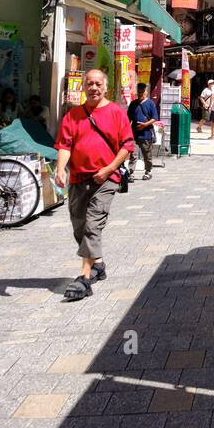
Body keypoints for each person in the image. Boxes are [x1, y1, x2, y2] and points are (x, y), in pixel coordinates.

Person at [54, 69, 134, 301]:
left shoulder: (116, 113)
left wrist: (109, 169)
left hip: (106, 179)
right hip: (78, 178)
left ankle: (84, 278)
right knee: (79, 226)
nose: (93, 88)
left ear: (105, 87)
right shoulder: (73, 115)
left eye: (98, 84)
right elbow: (65, 145)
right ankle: (98, 264)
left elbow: (127, 146)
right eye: (89, 84)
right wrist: (60, 169)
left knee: (92, 225)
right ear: (83, 87)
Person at [127, 82, 159, 180]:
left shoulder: (150, 103)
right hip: (134, 133)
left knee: (147, 154)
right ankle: (131, 173)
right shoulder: (133, 104)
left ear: (146, 92)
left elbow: (154, 118)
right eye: (139, 92)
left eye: (142, 91)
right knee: (133, 154)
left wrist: (145, 125)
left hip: (146, 133)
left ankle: (148, 171)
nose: (140, 94)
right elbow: (128, 119)